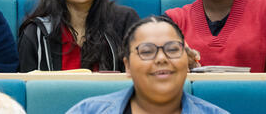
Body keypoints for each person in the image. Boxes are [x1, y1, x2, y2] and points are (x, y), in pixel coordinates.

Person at [66, 16, 229, 114]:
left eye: (172, 49)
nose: (161, 58)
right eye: (147, 51)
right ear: (127, 66)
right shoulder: (88, 111)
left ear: (187, 61)